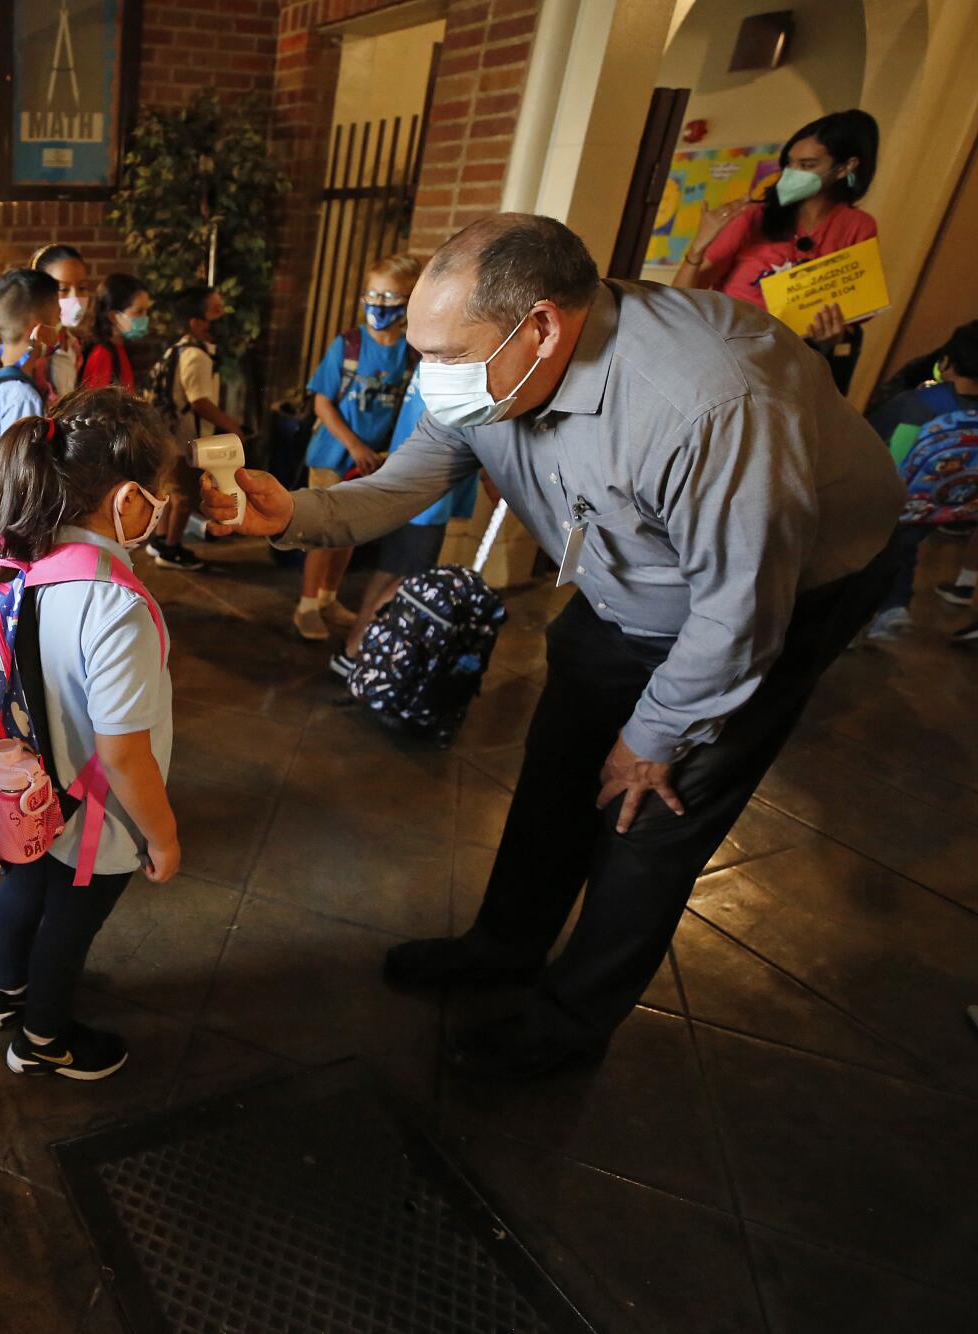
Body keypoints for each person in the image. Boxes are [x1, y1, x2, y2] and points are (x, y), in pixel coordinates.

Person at [203, 214, 902, 1079]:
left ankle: (568, 1028)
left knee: (649, 811)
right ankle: (504, 947)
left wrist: (652, 740)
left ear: (540, 327)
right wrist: (296, 515)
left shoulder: (711, 403)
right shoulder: (490, 369)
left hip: (780, 596)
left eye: (445, 355)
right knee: (561, 761)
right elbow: (408, 480)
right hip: (628, 585)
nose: (430, 377)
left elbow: (738, 612)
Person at [0, 389, 179, 1080]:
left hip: (21, 790)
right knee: (70, 923)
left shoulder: (12, 560)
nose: (164, 506)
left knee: (23, 890)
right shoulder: (115, 605)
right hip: (94, 814)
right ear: (126, 502)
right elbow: (121, 750)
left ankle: (6, 993)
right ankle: (44, 1041)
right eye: (158, 494)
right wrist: (163, 836)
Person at [674, 110, 879, 372]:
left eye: (807, 165)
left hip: (787, 365)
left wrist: (828, 339)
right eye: (789, 164)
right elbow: (680, 299)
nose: (793, 173)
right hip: (724, 355)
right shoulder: (753, 217)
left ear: (846, 167)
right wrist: (698, 247)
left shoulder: (859, 226)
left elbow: (854, 310)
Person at [295, 253, 424, 640]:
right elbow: (322, 400)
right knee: (323, 532)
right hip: (334, 456)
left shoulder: (411, 352)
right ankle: (306, 605)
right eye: (373, 295)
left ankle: (329, 598)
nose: (379, 305)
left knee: (352, 532)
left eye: (390, 297)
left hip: (373, 461)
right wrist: (353, 445)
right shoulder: (348, 345)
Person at [328, 376, 482, 678]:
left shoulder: (431, 365)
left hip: (406, 488)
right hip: (426, 496)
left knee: (390, 571)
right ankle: (356, 651)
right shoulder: (457, 373)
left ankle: (352, 649)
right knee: (406, 578)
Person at [862, 319, 978, 642]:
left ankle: (870, 617)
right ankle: (894, 608)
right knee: (905, 547)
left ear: (945, 363)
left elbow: (874, 444)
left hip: (893, 501)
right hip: (944, 508)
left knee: (868, 558)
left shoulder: (916, 405)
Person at [147, 285, 239, 573]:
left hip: (169, 436)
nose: (222, 317)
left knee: (170, 492)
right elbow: (200, 402)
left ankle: (161, 541)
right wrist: (232, 427)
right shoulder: (197, 356)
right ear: (196, 323)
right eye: (216, 312)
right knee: (186, 496)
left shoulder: (177, 349)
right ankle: (172, 550)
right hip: (187, 438)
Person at [0, 268, 58, 442]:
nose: (59, 328)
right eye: (57, 318)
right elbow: (20, 467)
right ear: (39, 330)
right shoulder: (23, 398)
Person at [32, 242, 91, 397]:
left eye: (82, 288)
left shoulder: (73, 345)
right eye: (63, 289)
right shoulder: (32, 347)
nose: (75, 298)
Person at [78, 273, 151, 392]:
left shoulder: (118, 348)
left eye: (146, 311)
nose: (145, 318)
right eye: (138, 312)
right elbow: (98, 407)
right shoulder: (103, 354)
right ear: (113, 316)